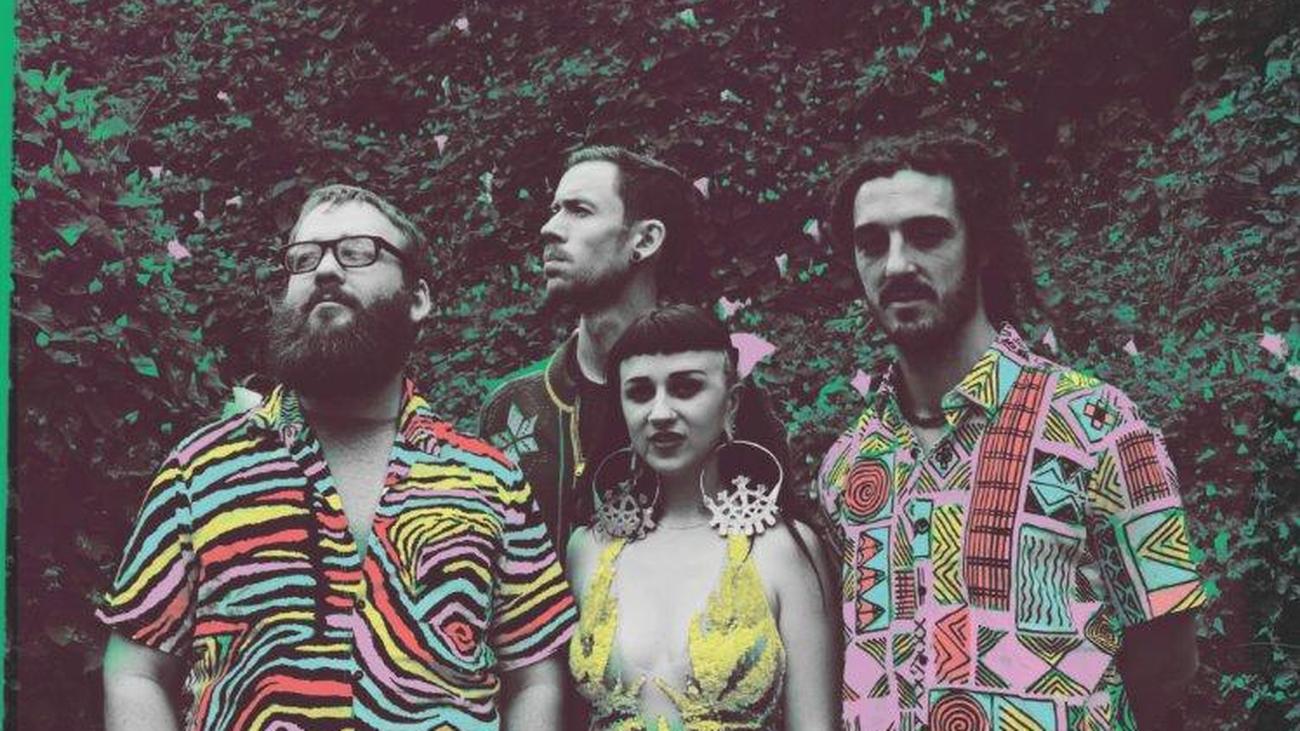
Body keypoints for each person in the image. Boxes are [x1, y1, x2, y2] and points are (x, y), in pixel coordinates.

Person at [97, 184, 577, 730]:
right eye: (304, 259)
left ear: (418, 298)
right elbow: (135, 669)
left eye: (357, 251)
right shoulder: (199, 470)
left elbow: (534, 676)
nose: (325, 269)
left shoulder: (490, 479)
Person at [816, 129, 1204, 730]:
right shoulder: (847, 465)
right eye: (871, 243)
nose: (896, 264)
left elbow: (1166, 658)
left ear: (983, 247)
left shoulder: (1097, 426)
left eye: (927, 234)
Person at [480, 146, 789, 552]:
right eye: (555, 210)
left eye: (579, 211)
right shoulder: (512, 408)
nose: (549, 228)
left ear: (644, 239)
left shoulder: (721, 400)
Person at [565, 304, 839, 730]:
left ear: (732, 403)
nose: (659, 413)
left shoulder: (783, 550)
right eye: (639, 393)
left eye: (686, 388)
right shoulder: (588, 548)